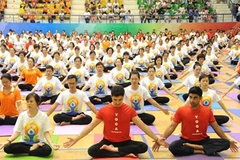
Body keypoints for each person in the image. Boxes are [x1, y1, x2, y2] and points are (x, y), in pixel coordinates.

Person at [63, 85, 168, 158]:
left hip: (125, 142)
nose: (117, 102)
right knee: (92, 151)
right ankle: (123, 153)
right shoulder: (104, 110)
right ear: (111, 98)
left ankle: (115, 151)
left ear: (123, 97)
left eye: (120, 100)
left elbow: (143, 126)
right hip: (108, 142)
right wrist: (76, 138)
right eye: (115, 100)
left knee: (143, 147)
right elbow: (91, 126)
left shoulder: (129, 110)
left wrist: (156, 138)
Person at [153, 87, 238, 156]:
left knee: (225, 143)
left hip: (203, 140)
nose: (192, 100)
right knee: (173, 147)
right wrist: (162, 138)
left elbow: (217, 128)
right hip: (186, 141)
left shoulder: (207, 111)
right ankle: (201, 150)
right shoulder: (181, 110)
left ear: (200, 98)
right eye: (190, 97)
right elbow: (172, 126)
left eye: (195, 98)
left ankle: (196, 147)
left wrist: (227, 140)